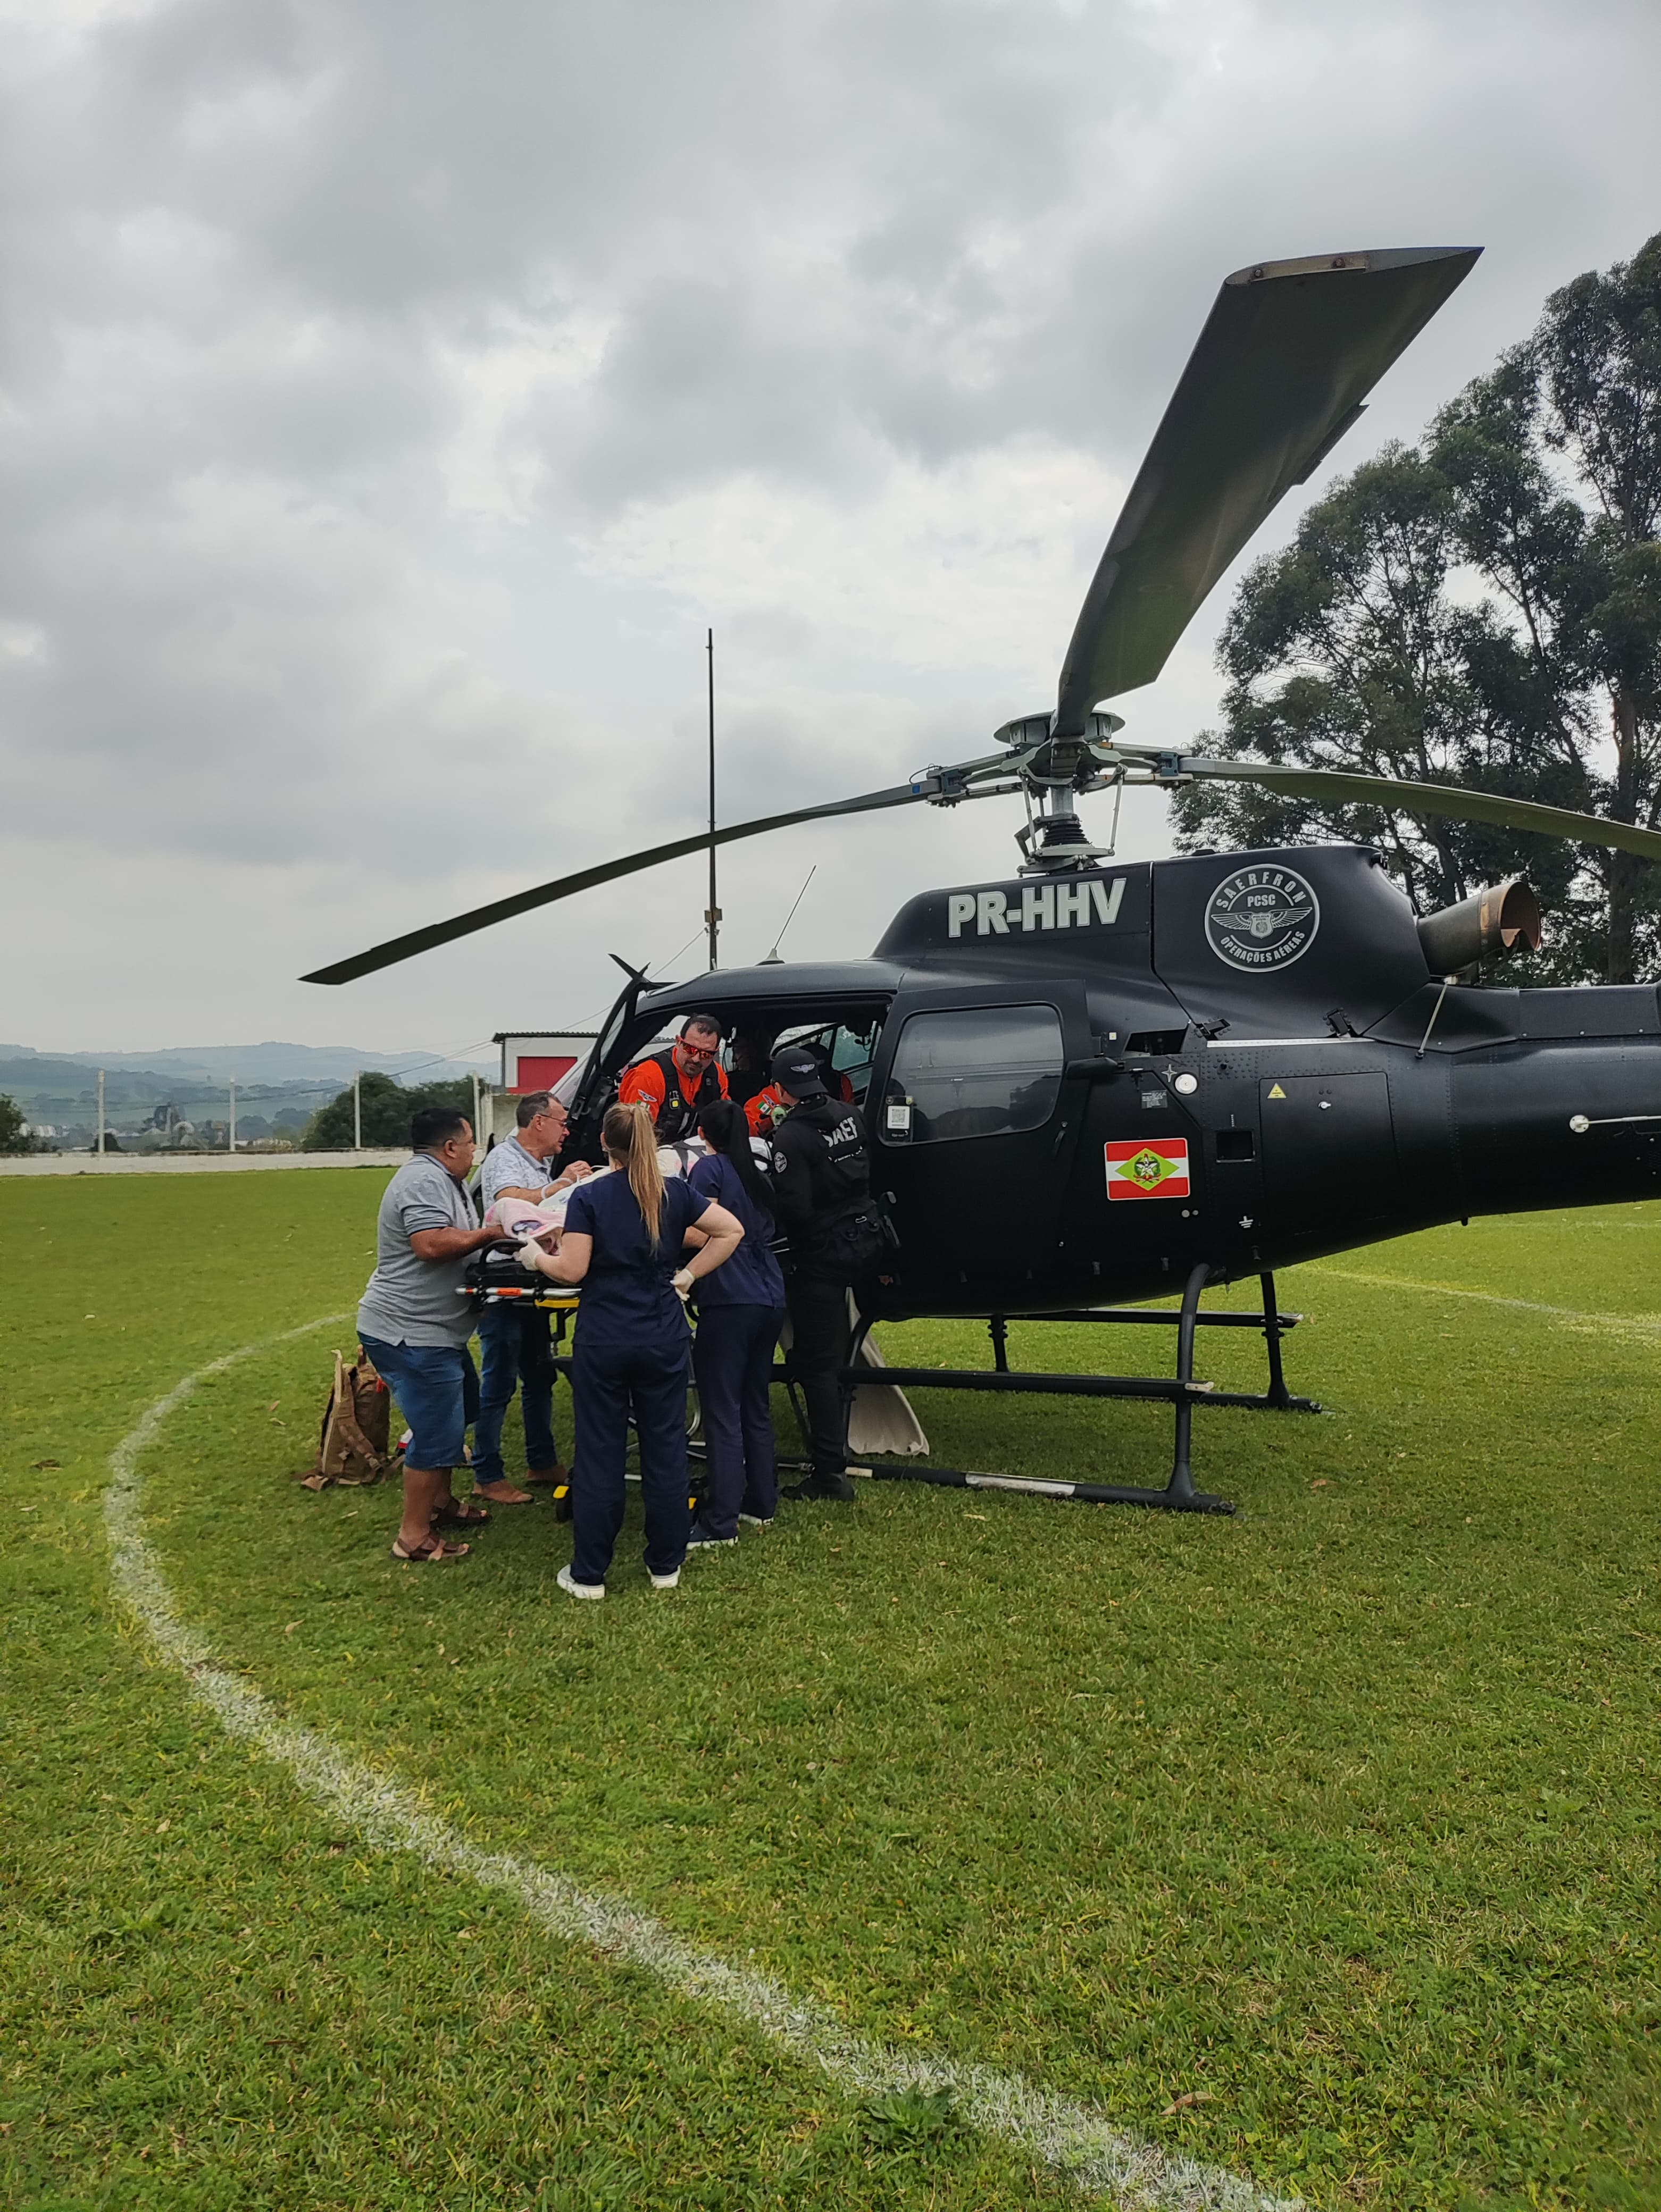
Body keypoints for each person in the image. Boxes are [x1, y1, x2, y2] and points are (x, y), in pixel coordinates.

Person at [522, 1101, 743, 1598]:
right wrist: (686, 1276)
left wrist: (536, 1255)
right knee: (665, 1448)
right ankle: (665, 1564)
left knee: (600, 1450)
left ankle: (590, 1573)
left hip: (604, 1335)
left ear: (604, 1142)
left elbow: (572, 1270)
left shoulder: (590, 1196)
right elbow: (731, 1230)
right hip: (662, 1335)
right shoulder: (674, 1193)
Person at [357, 1105, 501, 1562]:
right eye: (471, 1142)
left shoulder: (446, 1180)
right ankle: (413, 1535)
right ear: (450, 1146)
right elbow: (431, 1244)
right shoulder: (423, 1180)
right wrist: (489, 1236)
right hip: (410, 1333)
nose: (475, 1151)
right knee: (436, 1432)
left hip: (435, 1332)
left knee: (461, 1411)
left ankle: (439, 1504)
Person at [765, 1046, 879, 1503]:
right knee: (839, 1347)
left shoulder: (790, 1137)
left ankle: (829, 1472)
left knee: (816, 1364)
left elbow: (794, 1207)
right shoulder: (849, 1113)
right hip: (865, 1239)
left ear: (778, 1089)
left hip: (823, 1255)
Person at [473, 1091, 591, 1505]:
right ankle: (486, 1474)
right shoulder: (505, 1159)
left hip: (531, 1278)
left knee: (538, 1375)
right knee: (500, 1380)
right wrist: (561, 1186)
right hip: (507, 1286)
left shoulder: (534, 1161)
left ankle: (541, 1461)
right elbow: (508, 1201)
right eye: (562, 1122)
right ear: (538, 1122)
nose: (567, 1130)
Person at [685, 1097, 787, 1544]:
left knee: (722, 1411)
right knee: (755, 1405)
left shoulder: (709, 1171)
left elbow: (700, 1230)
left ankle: (719, 1520)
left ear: (703, 1135)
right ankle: (760, 1503)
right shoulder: (756, 1172)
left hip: (729, 1298)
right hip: (769, 1294)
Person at [619, 1013, 729, 1142]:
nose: (696, 1059)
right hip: (652, 1153)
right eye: (690, 1049)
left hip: (697, 1154)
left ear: (715, 1052)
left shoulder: (717, 1076)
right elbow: (634, 1138)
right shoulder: (649, 1076)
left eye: (706, 1054)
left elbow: (725, 1126)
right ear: (678, 1042)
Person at [744, 1040, 853, 1136]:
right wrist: (773, 1121)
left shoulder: (840, 1082)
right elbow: (751, 1122)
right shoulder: (777, 1093)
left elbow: (850, 1110)